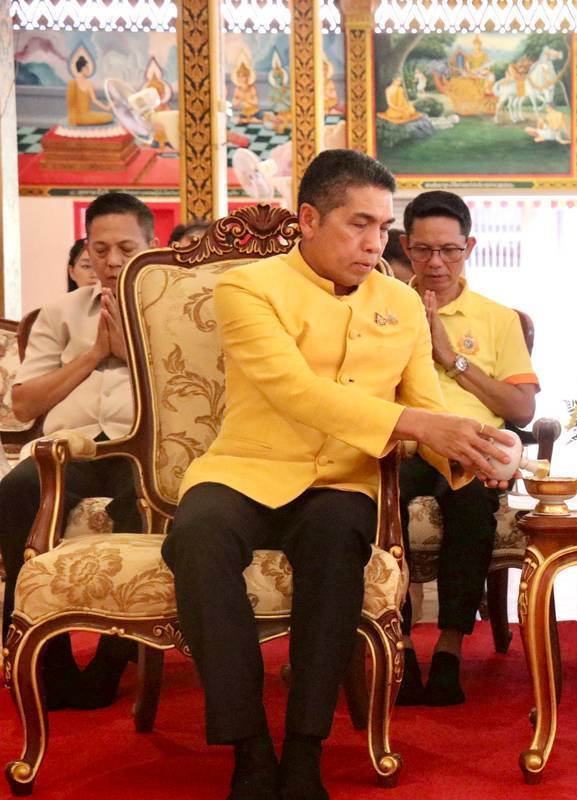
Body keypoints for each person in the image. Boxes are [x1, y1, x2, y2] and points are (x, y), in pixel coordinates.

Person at [159, 151, 511, 800]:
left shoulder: (402, 305)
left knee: (333, 546)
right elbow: (293, 391)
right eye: (359, 224)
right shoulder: (248, 287)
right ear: (310, 219)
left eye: (384, 227)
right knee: (198, 537)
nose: (376, 243)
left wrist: (473, 455)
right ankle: (249, 748)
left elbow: (429, 408)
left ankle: (302, 751)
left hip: (340, 481)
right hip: (244, 468)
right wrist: (418, 425)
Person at [0, 192, 155, 710]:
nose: (112, 262)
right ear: (87, 249)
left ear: (151, 247)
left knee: (145, 504)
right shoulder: (60, 313)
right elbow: (24, 404)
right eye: (100, 249)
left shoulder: (180, 312)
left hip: (141, 453)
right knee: (15, 493)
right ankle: (52, 660)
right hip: (69, 451)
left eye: (126, 248)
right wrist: (94, 355)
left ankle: (113, 661)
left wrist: (130, 352)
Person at [396, 190, 539, 707]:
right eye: (424, 250)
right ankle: (402, 645)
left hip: (472, 446)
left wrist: (451, 359)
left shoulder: (498, 318)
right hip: (405, 443)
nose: (437, 263)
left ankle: (451, 649)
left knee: (472, 506)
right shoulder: (382, 307)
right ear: (406, 248)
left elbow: (521, 410)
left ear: (469, 247)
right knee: (374, 502)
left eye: (450, 250)